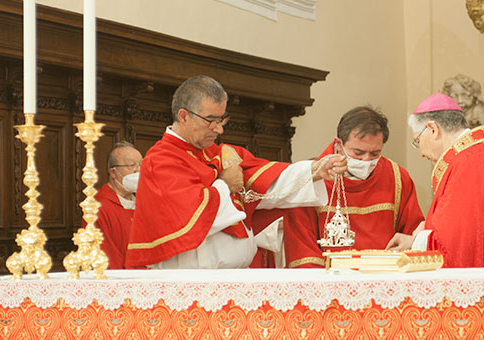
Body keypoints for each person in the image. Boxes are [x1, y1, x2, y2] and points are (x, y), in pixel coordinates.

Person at [126, 75, 346, 269]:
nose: (219, 129)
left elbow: (263, 184)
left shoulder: (221, 153)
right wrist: (224, 185)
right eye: (211, 121)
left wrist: (315, 170)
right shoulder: (161, 160)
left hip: (235, 275)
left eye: (222, 120)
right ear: (184, 116)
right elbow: (190, 216)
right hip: (192, 280)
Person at [386, 93, 484, 267]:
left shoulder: (469, 164)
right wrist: (416, 238)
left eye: (417, 141)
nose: (421, 152)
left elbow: (456, 246)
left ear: (433, 129)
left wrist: (419, 238)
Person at [268, 106, 424, 268]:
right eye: (358, 152)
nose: (366, 160)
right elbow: (303, 249)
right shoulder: (311, 180)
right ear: (339, 144)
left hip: (384, 276)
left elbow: (412, 234)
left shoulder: (397, 178)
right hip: (330, 281)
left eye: (375, 154)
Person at [92, 141, 142, 270]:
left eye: (141, 165)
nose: (138, 171)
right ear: (113, 172)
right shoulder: (98, 208)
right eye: (131, 165)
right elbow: (106, 256)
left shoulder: (143, 203)